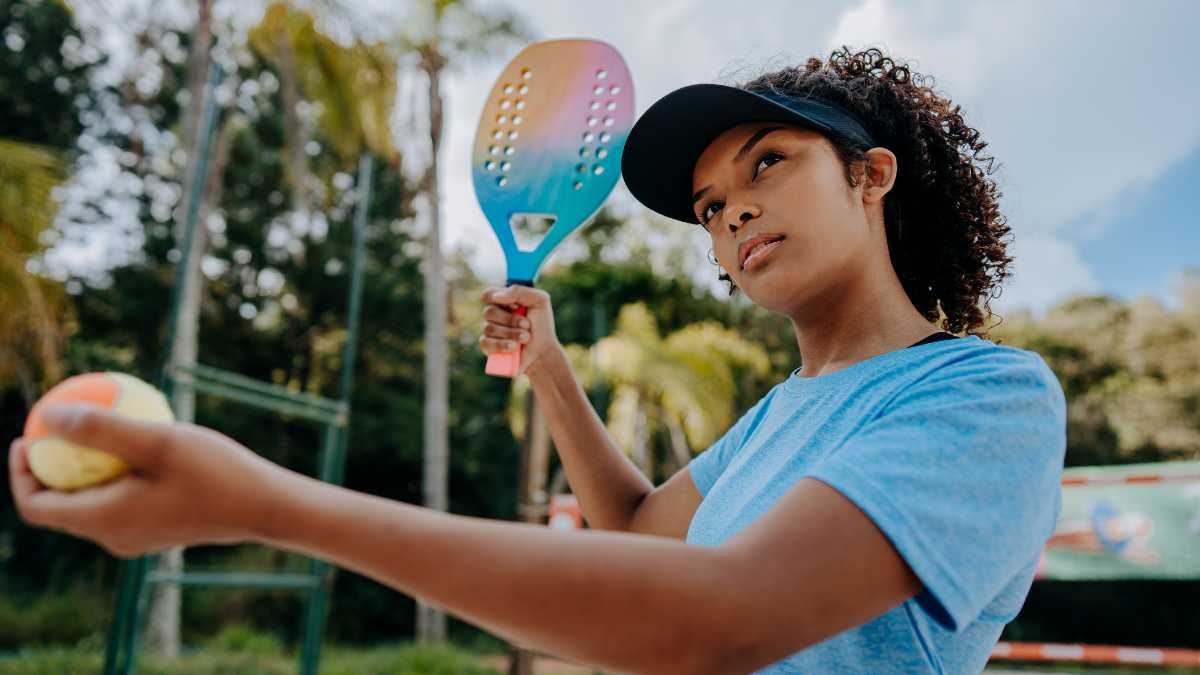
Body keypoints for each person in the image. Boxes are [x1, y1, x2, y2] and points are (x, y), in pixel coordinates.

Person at [9, 47, 1066, 674]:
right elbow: (645, 534)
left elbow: (718, 619)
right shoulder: (781, 415)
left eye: (769, 163)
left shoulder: (989, 398)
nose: (732, 208)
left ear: (871, 176)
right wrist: (551, 369)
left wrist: (270, 506)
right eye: (708, 206)